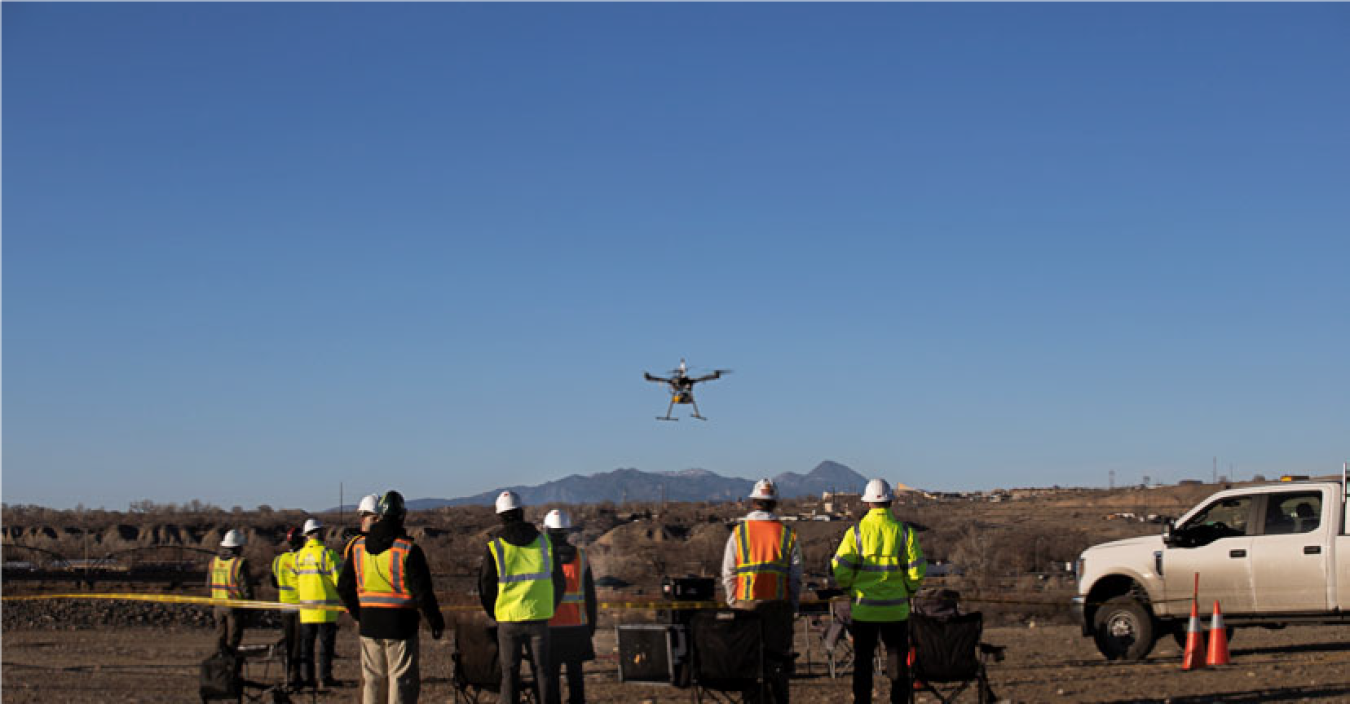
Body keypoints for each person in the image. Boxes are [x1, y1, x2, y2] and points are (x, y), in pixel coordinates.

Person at [337, 491, 444, 704]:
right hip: (400, 626)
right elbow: (423, 593)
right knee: (401, 680)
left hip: (369, 625)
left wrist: (359, 614)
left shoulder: (357, 548)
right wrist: (435, 621)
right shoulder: (408, 549)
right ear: (402, 515)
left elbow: (344, 587)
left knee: (373, 680)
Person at [831, 479, 926, 704]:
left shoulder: (856, 533)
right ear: (891, 502)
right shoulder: (904, 533)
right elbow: (917, 568)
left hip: (865, 611)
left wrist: (851, 589)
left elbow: (840, 568)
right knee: (898, 665)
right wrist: (908, 591)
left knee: (863, 664)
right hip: (896, 611)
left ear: (867, 503)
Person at [479, 491, 566, 704]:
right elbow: (560, 582)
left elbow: (486, 586)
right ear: (521, 512)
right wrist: (549, 607)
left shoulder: (495, 547)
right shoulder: (545, 543)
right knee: (543, 671)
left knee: (509, 673)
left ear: (500, 515)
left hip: (508, 620)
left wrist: (496, 613)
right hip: (539, 618)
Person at [721, 478, 802, 704]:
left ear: (753, 502)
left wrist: (733, 604)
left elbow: (729, 575)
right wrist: (792, 606)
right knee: (778, 666)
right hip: (778, 610)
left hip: (746, 609)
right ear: (774, 503)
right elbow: (795, 577)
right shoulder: (788, 535)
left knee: (750, 666)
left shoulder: (738, 534)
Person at [543, 509, 596, 704]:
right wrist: (591, 626)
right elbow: (590, 597)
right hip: (577, 627)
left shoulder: (542, 559)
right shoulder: (581, 557)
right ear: (567, 531)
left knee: (551, 676)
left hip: (550, 628)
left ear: (547, 530)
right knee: (576, 676)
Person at [294, 518, 343, 689]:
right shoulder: (329, 554)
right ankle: (325, 677)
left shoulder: (298, 556)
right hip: (326, 609)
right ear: (320, 534)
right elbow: (340, 581)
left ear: (306, 536)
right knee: (325, 647)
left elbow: (295, 582)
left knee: (306, 647)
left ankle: (308, 679)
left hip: (306, 609)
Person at [208, 528, 254, 653]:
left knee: (220, 638)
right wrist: (250, 607)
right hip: (234, 606)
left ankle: (219, 663)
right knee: (233, 641)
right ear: (237, 547)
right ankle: (229, 666)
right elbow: (246, 588)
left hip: (217, 606)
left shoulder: (213, 562)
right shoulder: (239, 563)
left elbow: (208, 585)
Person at [270, 526, 305, 688]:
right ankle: (295, 675)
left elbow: (274, 582)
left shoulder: (279, 560)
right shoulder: (302, 558)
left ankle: (286, 671)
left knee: (288, 641)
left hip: (284, 605)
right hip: (299, 606)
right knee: (298, 643)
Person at [344, 493, 381, 561]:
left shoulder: (355, 545)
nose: (361, 520)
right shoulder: (354, 545)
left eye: (364, 516)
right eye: (374, 518)